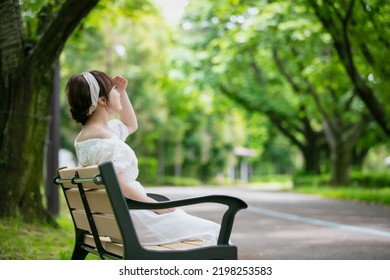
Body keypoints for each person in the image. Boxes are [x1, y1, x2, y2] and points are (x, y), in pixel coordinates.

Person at [66, 70, 220, 246]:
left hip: (118, 221)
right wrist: (157, 206)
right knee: (216, 232)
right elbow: (122, 187)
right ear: (102, 100)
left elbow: (130, 125)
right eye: (114, 89)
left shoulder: (86, 138)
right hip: (137, 219)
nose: (117, 92)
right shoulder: (107, 141)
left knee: (202, 230)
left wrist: (123, 92)